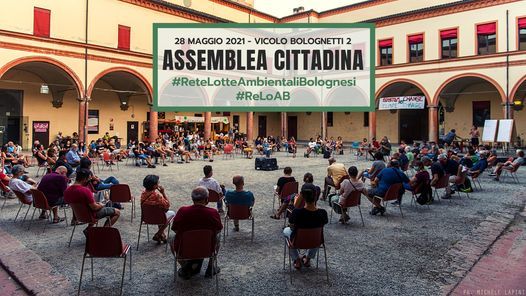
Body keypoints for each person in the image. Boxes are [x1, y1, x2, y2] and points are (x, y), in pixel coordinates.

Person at [171, 186, 223, 280]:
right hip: (207, 247)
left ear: (192, 199)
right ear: (207, 200)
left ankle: (185, 267)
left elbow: (175, 229)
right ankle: (211, 267)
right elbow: (218, 230)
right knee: (218, 237)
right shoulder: (213, 213)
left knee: (172, 240)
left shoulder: (183, 211)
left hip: (184, 248)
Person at [283, 188, 328, 269]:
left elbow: (291, 225)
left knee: (286, 230)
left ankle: (296, 260)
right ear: (316, 198)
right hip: (316, 241)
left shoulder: (297, 212)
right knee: (316, 234)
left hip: (298, 241)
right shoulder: (323, 213)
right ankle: (308, 258)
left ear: (303, 199)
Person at [140, 175, 175, 243]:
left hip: (147, 217)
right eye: (158, 183)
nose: (159, 183)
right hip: (158, 217)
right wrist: (163, 192)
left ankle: (162, 235)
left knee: (160, 213)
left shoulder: (143, 193)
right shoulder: (157, 196)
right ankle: (159, 233)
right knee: (172, 213)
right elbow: (167, 205)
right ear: (154, 186)